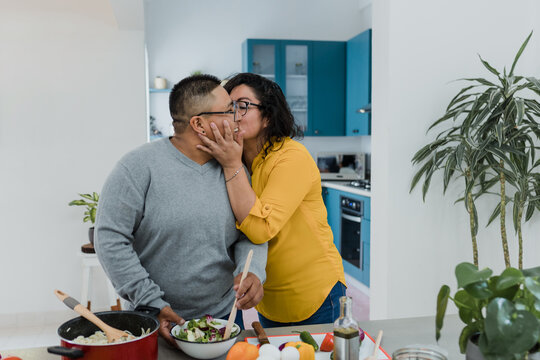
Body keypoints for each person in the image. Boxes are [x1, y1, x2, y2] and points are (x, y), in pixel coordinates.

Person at [94, 74, 267, 347]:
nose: (237, 118)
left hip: (222, 318)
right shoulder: (137, 167)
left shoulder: (235, 169)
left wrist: (254, 271)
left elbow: (249, 230)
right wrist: (151, 302)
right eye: (228, 110)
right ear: (198, 123)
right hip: (152, 320)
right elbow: (109, 239)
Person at [197, 72, 346, 327]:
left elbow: (260, 229)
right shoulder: (239, 162)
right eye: (228, 107)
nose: (233, 114)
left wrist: (230, 163)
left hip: (315, 295)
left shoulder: (291, 157)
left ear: (267, 116)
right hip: (269, 300)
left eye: (242, 106)